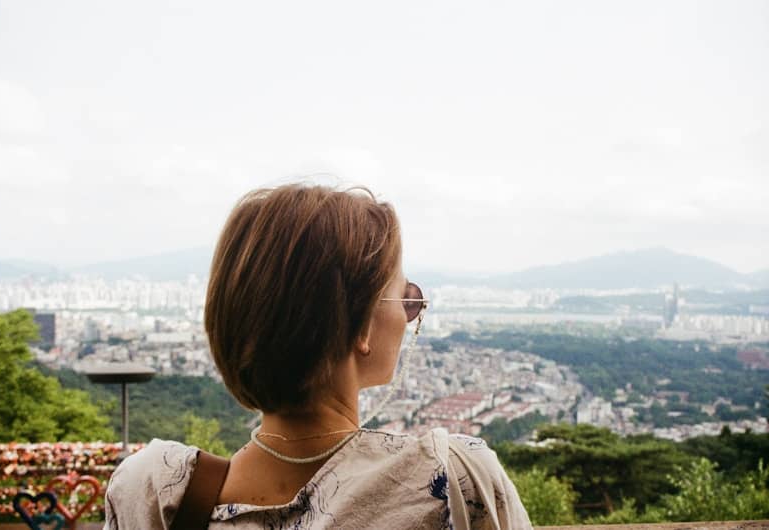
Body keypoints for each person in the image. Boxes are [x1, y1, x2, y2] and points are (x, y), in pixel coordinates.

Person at [104, 183, 532, 529]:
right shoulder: (453, 481)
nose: (410, 316)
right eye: (406, 298)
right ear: (363, 325)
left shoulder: (153, 493)